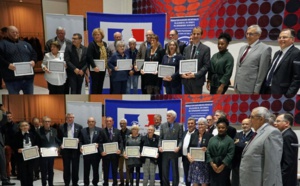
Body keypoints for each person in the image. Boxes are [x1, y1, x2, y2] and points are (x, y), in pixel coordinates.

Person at [240, 107, 283, 186]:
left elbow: (272, 166)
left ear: (261, 119)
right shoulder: (258, 133)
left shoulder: (272, 133)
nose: (250, 120)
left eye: (252, 117)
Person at [261, 28, 300, 95]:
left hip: (282, 93)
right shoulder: (277, 53)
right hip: (267, 89)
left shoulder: (296, 53)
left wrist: (289, 95)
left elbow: (297, 77)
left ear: (292, 40)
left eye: (284, 37)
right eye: (279, 37)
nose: (281, 39)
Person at [234, 25, 271, 94]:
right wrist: (235, 84)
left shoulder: (265, 49)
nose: (248, 36)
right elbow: (239, 67)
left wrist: (257, 89)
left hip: (250, 88)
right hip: (238, 86)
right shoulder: (243, 48)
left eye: (251, 34)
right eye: (247, 33)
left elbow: (262, 72)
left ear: (258, 35)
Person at [0, 26, 37, 94]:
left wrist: (33, 61)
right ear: (8, 33)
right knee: (15, 100)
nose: (15, 34)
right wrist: (7, 65)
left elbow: (34, 54)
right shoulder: (2, 44)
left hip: (28, 79)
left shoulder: (26, 44)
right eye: (13, 32)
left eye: (17, 32)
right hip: (12, 79)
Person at [206, 117, 235, 186]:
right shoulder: (212, 139)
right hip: (213, 166)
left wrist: (222, 165)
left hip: (225, 167)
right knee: (213, 183)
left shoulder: (230, 140)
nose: (221, 129)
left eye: (223, 128)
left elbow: (230, 154)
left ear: (226, 128)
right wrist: (212, 163)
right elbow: (208, 151)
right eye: (219, 128)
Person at [182, 26, 210, 94]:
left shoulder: (205, 49)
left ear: (201, 35)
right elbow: (182, 62)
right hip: (186, 80)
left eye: (198, 34)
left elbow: (206, 65)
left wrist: (195, 75)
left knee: (195, 101)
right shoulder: (186, 48)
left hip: (197, 80)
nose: (195, 35)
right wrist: (182, 73)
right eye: (194, 34)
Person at [158, 110, 183, 186]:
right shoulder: (163, 125)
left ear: (174, 117)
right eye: (167, 115)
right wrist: (159, 146)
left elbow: (181, 138)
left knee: (175, 171)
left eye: (169, 116)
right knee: (165, 171)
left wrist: (179, 147)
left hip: (174, 152)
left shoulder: (179, 126)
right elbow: (160, 138)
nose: (167, 117)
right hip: (165, 152)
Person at [187, 117, 213, 186]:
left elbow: (212, 149)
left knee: (204, 182)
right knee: (195, 182)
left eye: (202, 124)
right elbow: (188, 148)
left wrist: (207, 149)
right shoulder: (193, 135)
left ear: (206, 125)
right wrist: (188, 156)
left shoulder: (210, 136)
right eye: (199, 124)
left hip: (204, 163)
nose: (200, 126)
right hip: (194, 162)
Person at [274, 113, 298, 186]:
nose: (275, 123)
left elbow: (288, 160)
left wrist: (281, 177)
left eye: (278, 121)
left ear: (286, 123)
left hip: (285, 179)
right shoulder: (285, 134)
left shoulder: (288, 136)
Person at [58, 113, 82, 186]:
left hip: (75, 151)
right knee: (66, 168)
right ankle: (67, 183)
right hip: (65, 151)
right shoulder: (61, 126)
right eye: (68, 117)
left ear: (74, 118)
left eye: (71, 117)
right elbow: (58, 138)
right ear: (66, 118)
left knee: (75, 168)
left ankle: (75, 183)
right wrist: (60, 144)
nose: (70, 118)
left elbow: (81, 137)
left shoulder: (79, 126)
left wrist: (79, 140)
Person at [37, 116, 60, 186]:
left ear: (50, 122)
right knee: (43, 171)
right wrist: (38, 150)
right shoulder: (38, 131)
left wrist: (58, 147)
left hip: (51, 154)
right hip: (43, 154)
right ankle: (44, 184)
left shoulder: (54, 130)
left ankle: (51, 184)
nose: (47, 123)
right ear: (42, 122)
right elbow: (36, 143)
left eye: (48, 121)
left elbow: (57, 141)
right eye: (45, 121)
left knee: (51, 170)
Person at [99, 117, 123, 186]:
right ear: (105, 122)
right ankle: (105, 182)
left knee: (114, 170)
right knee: (105, 170)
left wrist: (120, 150)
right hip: (105, 154)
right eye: (107, 121)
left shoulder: (117, 131)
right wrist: (101, 151)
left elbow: (121, 142)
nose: (109, 122)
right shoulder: (102, 131)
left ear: (113, 122)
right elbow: (100, 143)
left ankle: (115, 183)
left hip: (115, 154)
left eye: (110, 121)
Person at [79, 117, 102, 186]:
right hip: (86, 154)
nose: (91, 123)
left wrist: (99, 144)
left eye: (92, 121)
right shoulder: (83, 131)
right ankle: (86, 183)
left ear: (95, 122)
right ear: (87, 123)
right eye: (89, 121)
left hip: (96, 155)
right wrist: (80, 147)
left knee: (95, 170)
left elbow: (102, 141)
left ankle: (95, 182)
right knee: (86, 170)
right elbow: (80, 141)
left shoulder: (100, 130)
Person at [231, 118, 254, 186]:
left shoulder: (254, 135)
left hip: (247, 163)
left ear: (251, 124)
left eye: (247, 124)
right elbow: (233, 145)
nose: (244, 125)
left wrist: (238, 143)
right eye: (243, 124)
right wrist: (244, 143)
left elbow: (250, 147)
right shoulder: (237, 134)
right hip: (236, 163)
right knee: (235, 182)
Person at [13, 121, 37, 186]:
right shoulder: (17, 135)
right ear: (20, 127)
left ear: (29, 127)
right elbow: (13, 146)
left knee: (30, 173)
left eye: (26, 125)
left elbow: (36, 144)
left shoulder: (32, 134)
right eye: (23, 126)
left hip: (31, 157)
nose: (25, 127)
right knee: (23, 174)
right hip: (21, 158)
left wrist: (36, 147)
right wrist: (17, 150)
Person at [87, 28, 108, 94]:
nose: (96, 36)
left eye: (98, 34)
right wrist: (94, 66)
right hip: (95, 69)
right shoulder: (92, 44)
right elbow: (89, 57)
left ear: (101, 35)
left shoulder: (104, 44)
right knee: (95, 86)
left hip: (103, 68)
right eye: (95, 35)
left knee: (100, 85)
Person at [0, 106, 15, 185]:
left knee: (3, 163)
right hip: (3, 145)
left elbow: (4, 120)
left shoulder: (1, 123)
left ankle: (5, 180)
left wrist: (4, 111)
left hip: (1, 145)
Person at [1, 111, 18, 180]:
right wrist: (4, 145)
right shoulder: (3, 126)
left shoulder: (16, 125)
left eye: (10, 116)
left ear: (12, 117)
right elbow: (2, 137)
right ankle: (7, 175)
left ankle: (14, 172)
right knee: (7, 162)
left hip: (15, 146)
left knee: (15, 160)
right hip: (7, 146)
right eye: (8, 117)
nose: (9, 118)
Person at [181, 117, 198, 186]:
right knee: (187, 174)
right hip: (185, 157)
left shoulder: (198, 133)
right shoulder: (184, 132)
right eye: (188, 123)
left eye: (192, 123)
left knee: (195, 175)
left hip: (194, 158)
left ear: (195, 124)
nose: (190, 125)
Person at [118, 119, 131, 186]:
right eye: (121, 123)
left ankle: (127, 182)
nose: (122, 124)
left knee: (128, 168)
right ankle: (122, 182)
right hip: (120, 153)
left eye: (123, 123)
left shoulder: (130, 132)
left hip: (127, 153)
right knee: (120, 168)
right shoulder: (118, 132)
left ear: (126, 124)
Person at [153, 114, 162, 185]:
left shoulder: (164, 128)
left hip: (161, 152)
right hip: (152, 151)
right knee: (151, 168)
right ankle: (151, 182)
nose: (156, 121)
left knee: (161, 168)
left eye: (157, 120)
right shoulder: (151, 128)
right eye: (155, 120)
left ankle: (162, 182)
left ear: (160, 120)